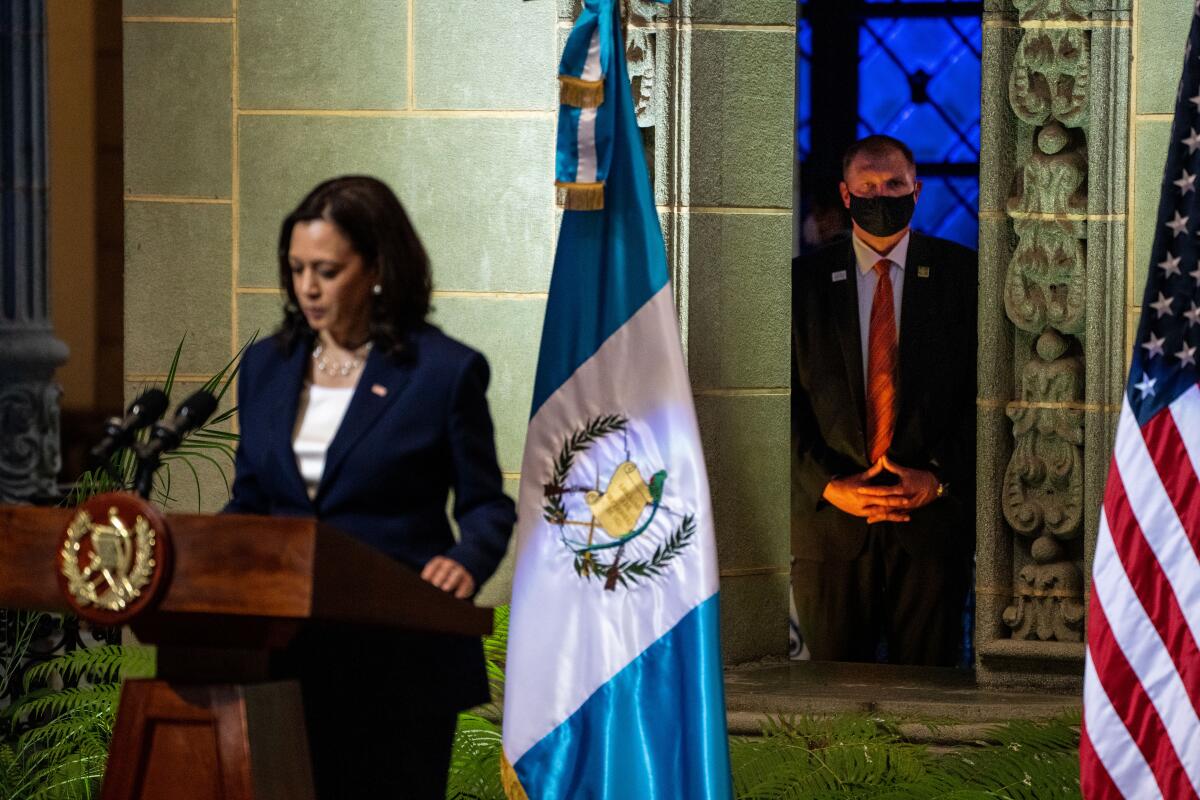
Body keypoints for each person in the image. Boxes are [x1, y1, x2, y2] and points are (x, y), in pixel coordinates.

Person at [223, 175, 516, 797]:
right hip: (282, 656)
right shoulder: (267, 366)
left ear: (377, 267)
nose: (307, 287)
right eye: (297, 268)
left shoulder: (442, 372)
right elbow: (251, 498)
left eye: (327, 270)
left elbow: (487, 506)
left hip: (397, 659)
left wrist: (465, 562)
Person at [791, 135, 977, 667]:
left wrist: (937, 477)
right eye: (867, 186)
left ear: (916, 190)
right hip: (829, 530)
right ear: (845, 196)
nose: (881, 194)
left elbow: (982, 398)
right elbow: (778, 403)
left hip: (931, 528)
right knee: (828, 708)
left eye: (894, 184)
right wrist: (828, 485)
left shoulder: (965, 279)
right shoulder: (799, 286)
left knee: (929, 704)